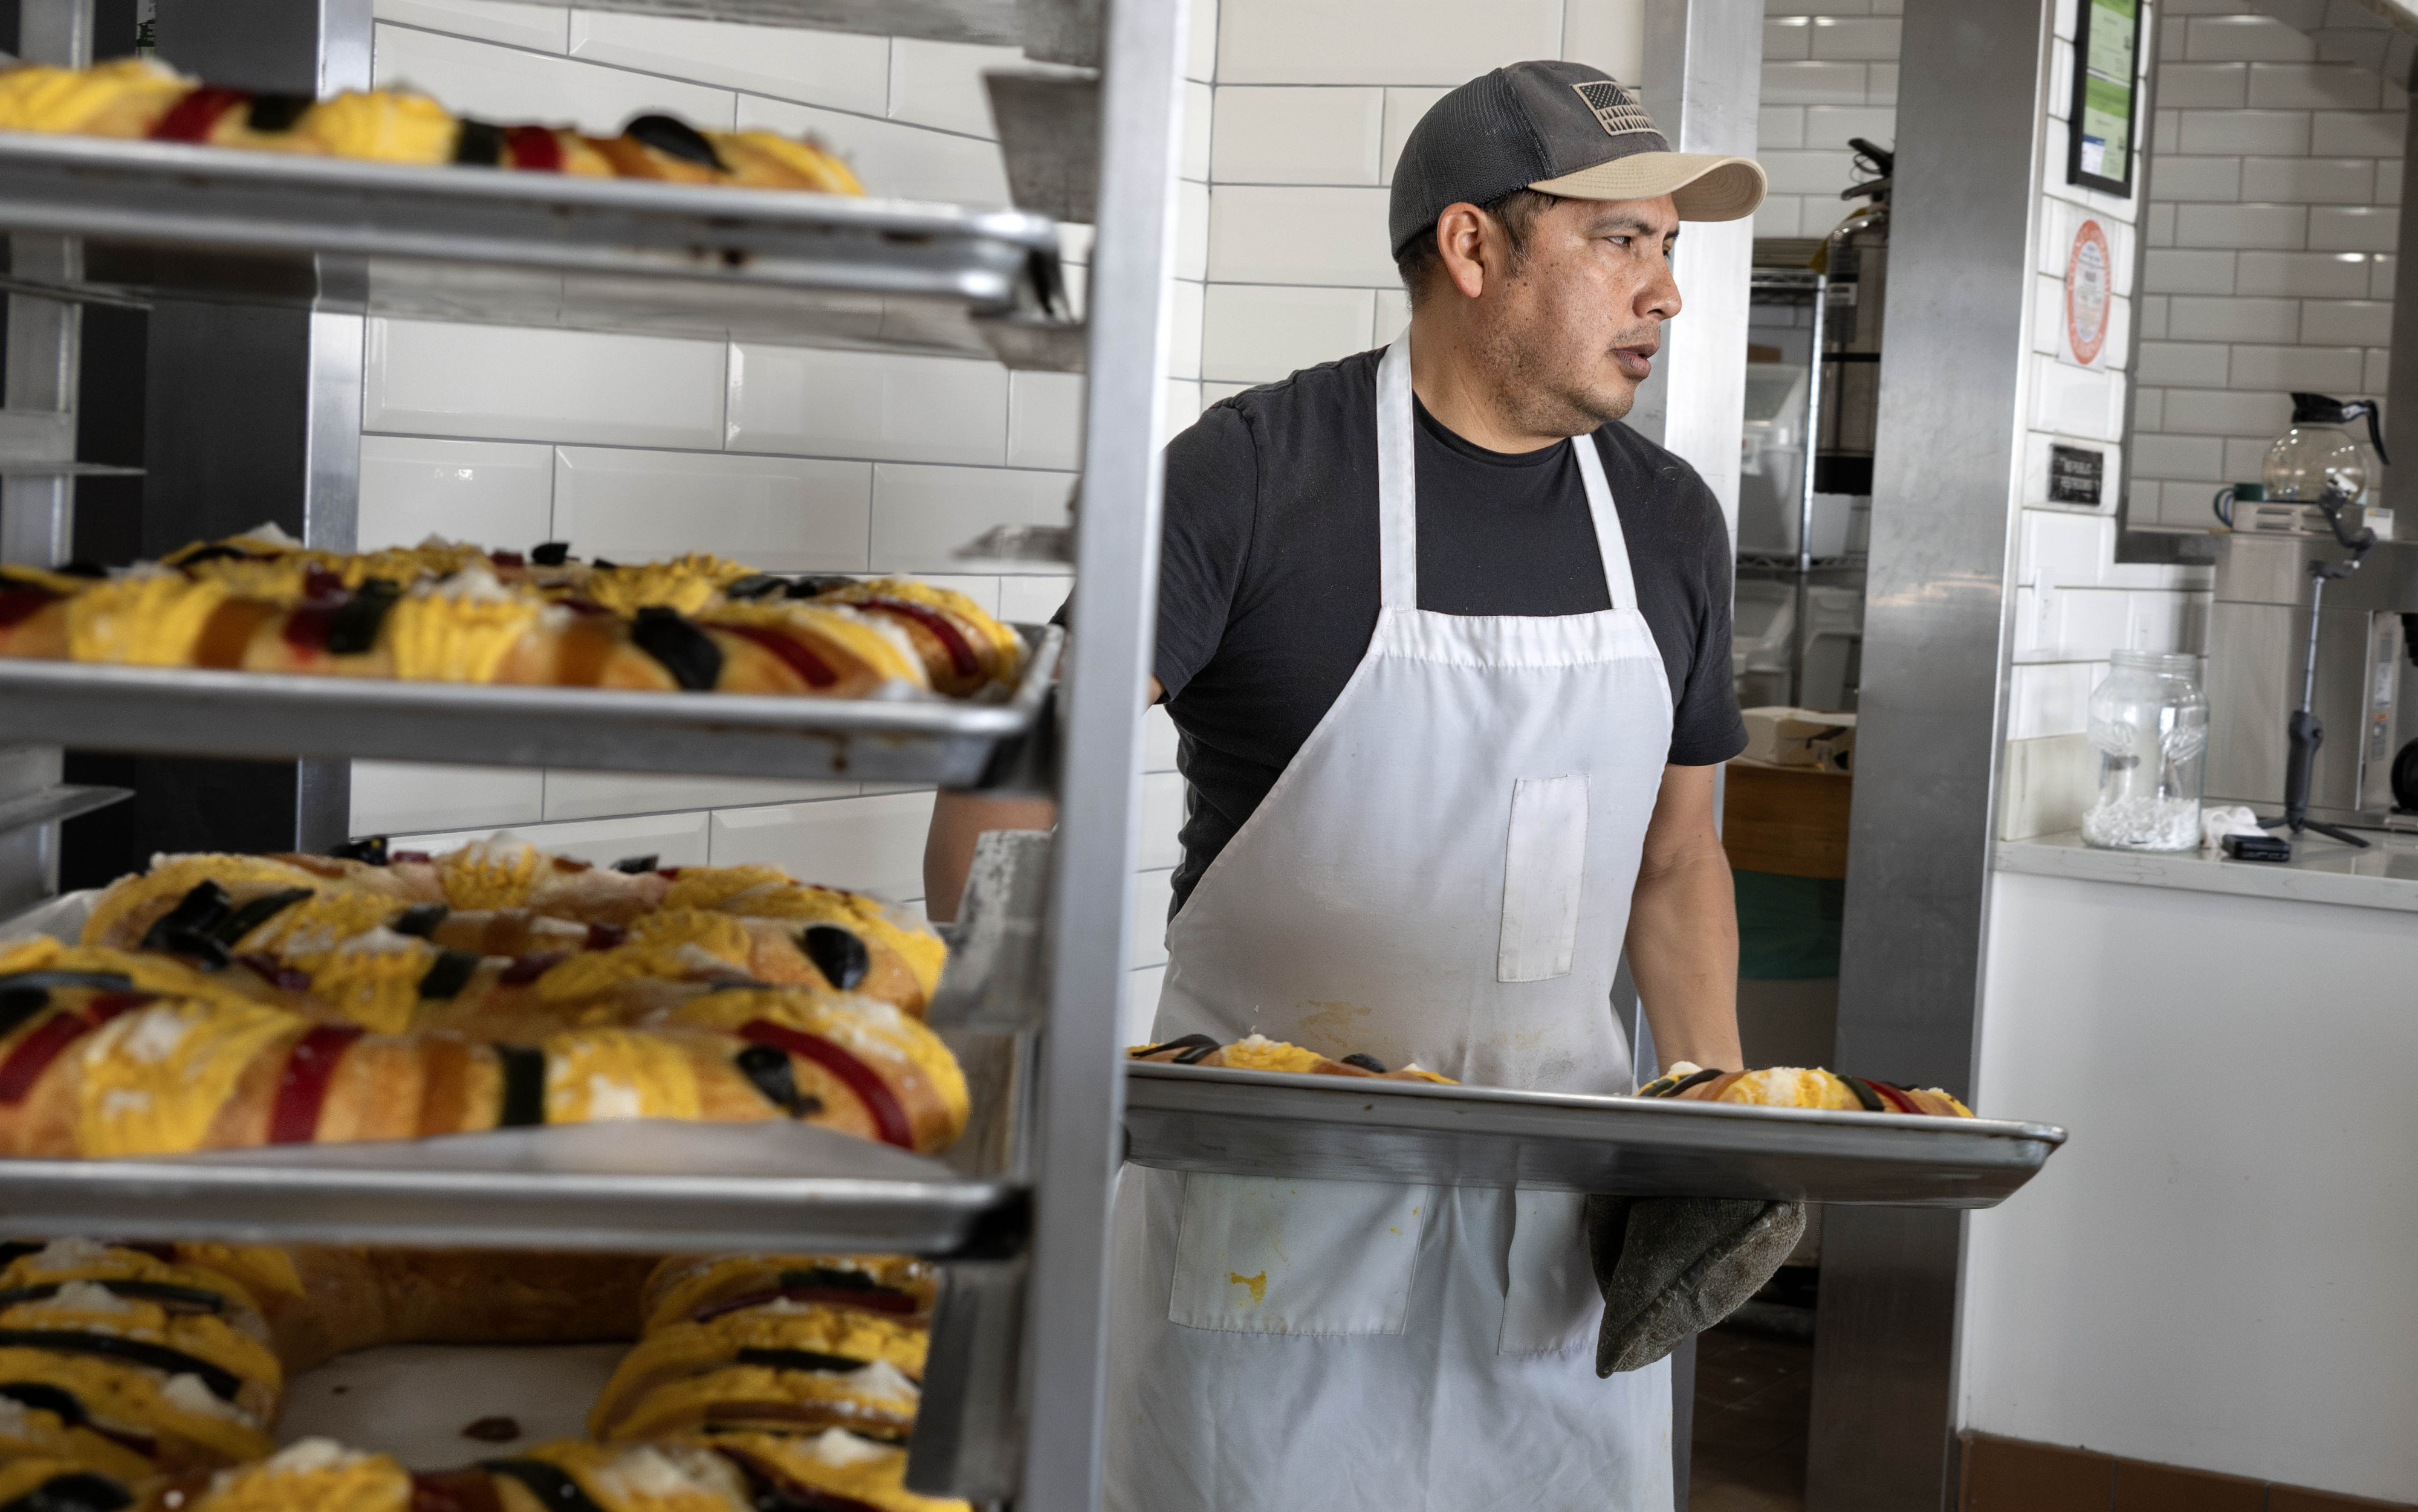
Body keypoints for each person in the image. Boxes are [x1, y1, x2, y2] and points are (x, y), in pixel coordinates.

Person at [924, 60, 1767, 1511]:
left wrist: (1720, 1124)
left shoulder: (1666, 520)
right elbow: (1002, 794)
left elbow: (1675, 860)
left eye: (1668, 248)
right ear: (1472, 247)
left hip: (1552, 1233)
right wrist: (1036, 1084)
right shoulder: (1251, 477)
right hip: (1272, 1222)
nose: (1665, 294)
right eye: (1620, 241)